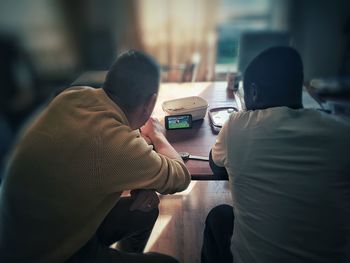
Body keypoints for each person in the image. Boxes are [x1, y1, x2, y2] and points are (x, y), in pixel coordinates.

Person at [0, 50, 191, 262]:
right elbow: (181, 176)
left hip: (21, 234)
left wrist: (142, 179)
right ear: (151, 102)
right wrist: (157, 135)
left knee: (145, 212)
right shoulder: (117, 146)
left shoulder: (74, 96)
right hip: (48, 254)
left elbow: (110, 147)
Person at [201, 46, 350, 263]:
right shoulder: (342, 133)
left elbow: (215, 166)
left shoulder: (236, 126)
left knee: (219, 216)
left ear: (253, 92)